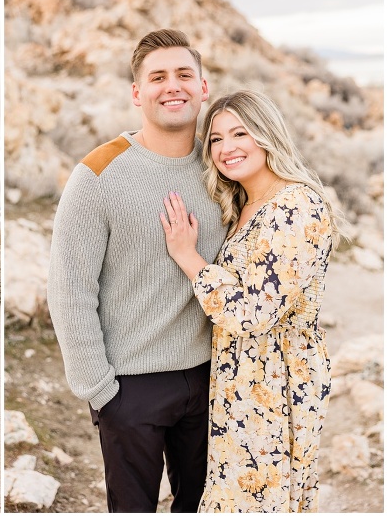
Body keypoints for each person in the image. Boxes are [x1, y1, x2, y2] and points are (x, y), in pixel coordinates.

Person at [48, 29, 228, 512]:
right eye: (158, 77)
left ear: (203, 87)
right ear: (137, 93)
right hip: (131, 386)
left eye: (184, 75)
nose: (174, 86)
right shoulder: (98, 175)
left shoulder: (222, 168)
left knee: (205, 506)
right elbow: (69, 291)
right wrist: (102, 393)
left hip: (212, 378)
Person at [160, 90, 340, 512]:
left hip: (276, 383)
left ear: (266, 134)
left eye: (239, 133)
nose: (227, 148)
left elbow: (252, 313)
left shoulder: (296, 205)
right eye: (216, 139)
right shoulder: (245, 203)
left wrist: (189, 258)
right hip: (240, 382)